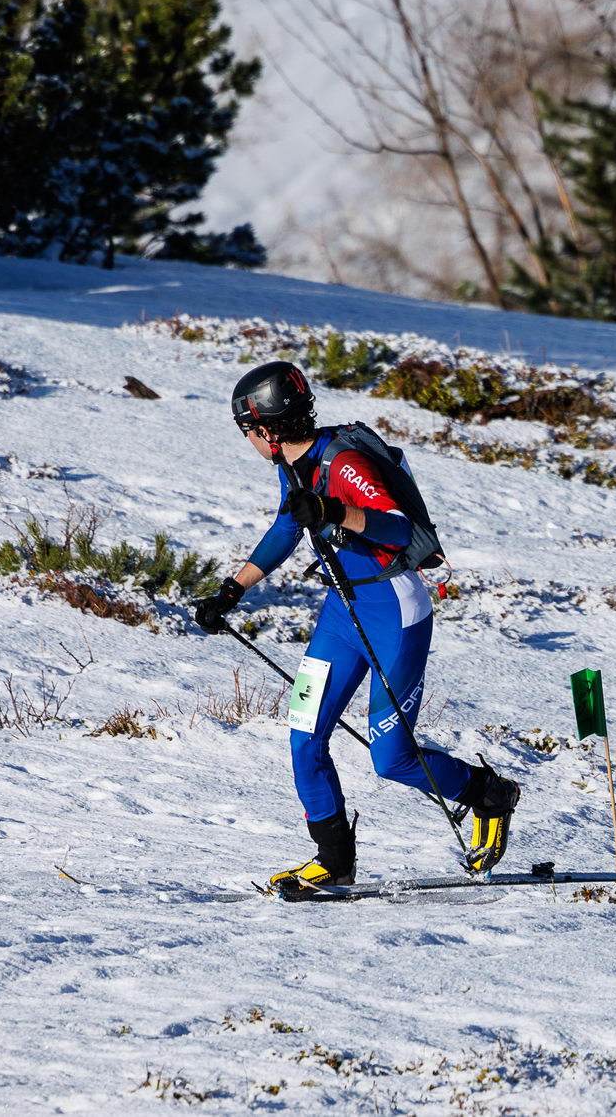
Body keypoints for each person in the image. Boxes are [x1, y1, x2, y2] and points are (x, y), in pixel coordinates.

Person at [191, 362, 518, 897]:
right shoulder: (291, 465)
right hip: (342, 613)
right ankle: (335, 862)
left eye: (247, 431)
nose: (248, 441)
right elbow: (286, 524)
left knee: (391, 760)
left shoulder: (342, 463)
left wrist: (333, 508)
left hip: (395, 607)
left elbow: (397, 526)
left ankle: (488, 794)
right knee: (304, 735)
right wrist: (233, 589)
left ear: (266, 429)